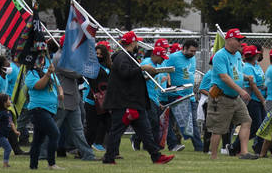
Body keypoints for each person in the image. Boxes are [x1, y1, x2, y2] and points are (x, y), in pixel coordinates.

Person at [100, 31, 174, 165]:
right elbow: (125, 73)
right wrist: (142, 68)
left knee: (146, 131)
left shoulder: (128, 56)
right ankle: (109, 157)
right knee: (116, 131)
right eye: (136, 42)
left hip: (134, 102)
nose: (137, 44)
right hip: (124, 103)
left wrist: (144, 72)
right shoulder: (122, 56)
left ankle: (156, 156)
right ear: (132, 42)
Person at [204, 28, 256, 160]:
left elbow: (235, 73)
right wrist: (241, 91)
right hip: (221, 97)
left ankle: (244, 153)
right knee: (219, 128)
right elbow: (224, 77)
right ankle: (213, 156)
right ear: (229, 40)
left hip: (234, 97)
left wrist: (245, 77)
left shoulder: (237, 55)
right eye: (237, 40)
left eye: (240, 40)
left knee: (246, 120)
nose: (240, 42)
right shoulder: (220, 56)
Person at [51, 47, 97, 161]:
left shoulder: (66, 56)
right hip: (63, 99)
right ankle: (42, 152)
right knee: (53, 128)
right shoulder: (60, 58)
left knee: (77, 129)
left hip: (72, 99)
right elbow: (76, 73)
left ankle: (88, 155)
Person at [25, 51, 62, 170]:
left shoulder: (48, 71)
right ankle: (51, 163)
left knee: (38, 139)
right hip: (38, 110)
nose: (41, 61)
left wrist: (60, 93)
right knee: (54, 133)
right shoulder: (31, 74)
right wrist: (48, 74)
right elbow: (38, 86)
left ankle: (33, 165)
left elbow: (58, 84)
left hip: (49, 110)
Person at [166, 38, 201, 152]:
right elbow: (164, 71)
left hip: (189, 95)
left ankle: (198, 147)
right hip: (176, 95)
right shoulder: (173, 57)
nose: (193, 54)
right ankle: (198, 146)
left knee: (192, 122)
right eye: (191, 51)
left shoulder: (192, 58)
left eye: (195, 51)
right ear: (184, 48)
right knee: (169, 122)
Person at [84, 43, 111, 150]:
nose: (98, 55)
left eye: (100, 54)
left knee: (110, 126)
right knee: (92, 128)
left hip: (106, 101)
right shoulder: (92, 66)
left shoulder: (109, 66)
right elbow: (91, 80)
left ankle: (113, 150)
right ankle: (85, 150)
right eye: (96, 53)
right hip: (93, 101)